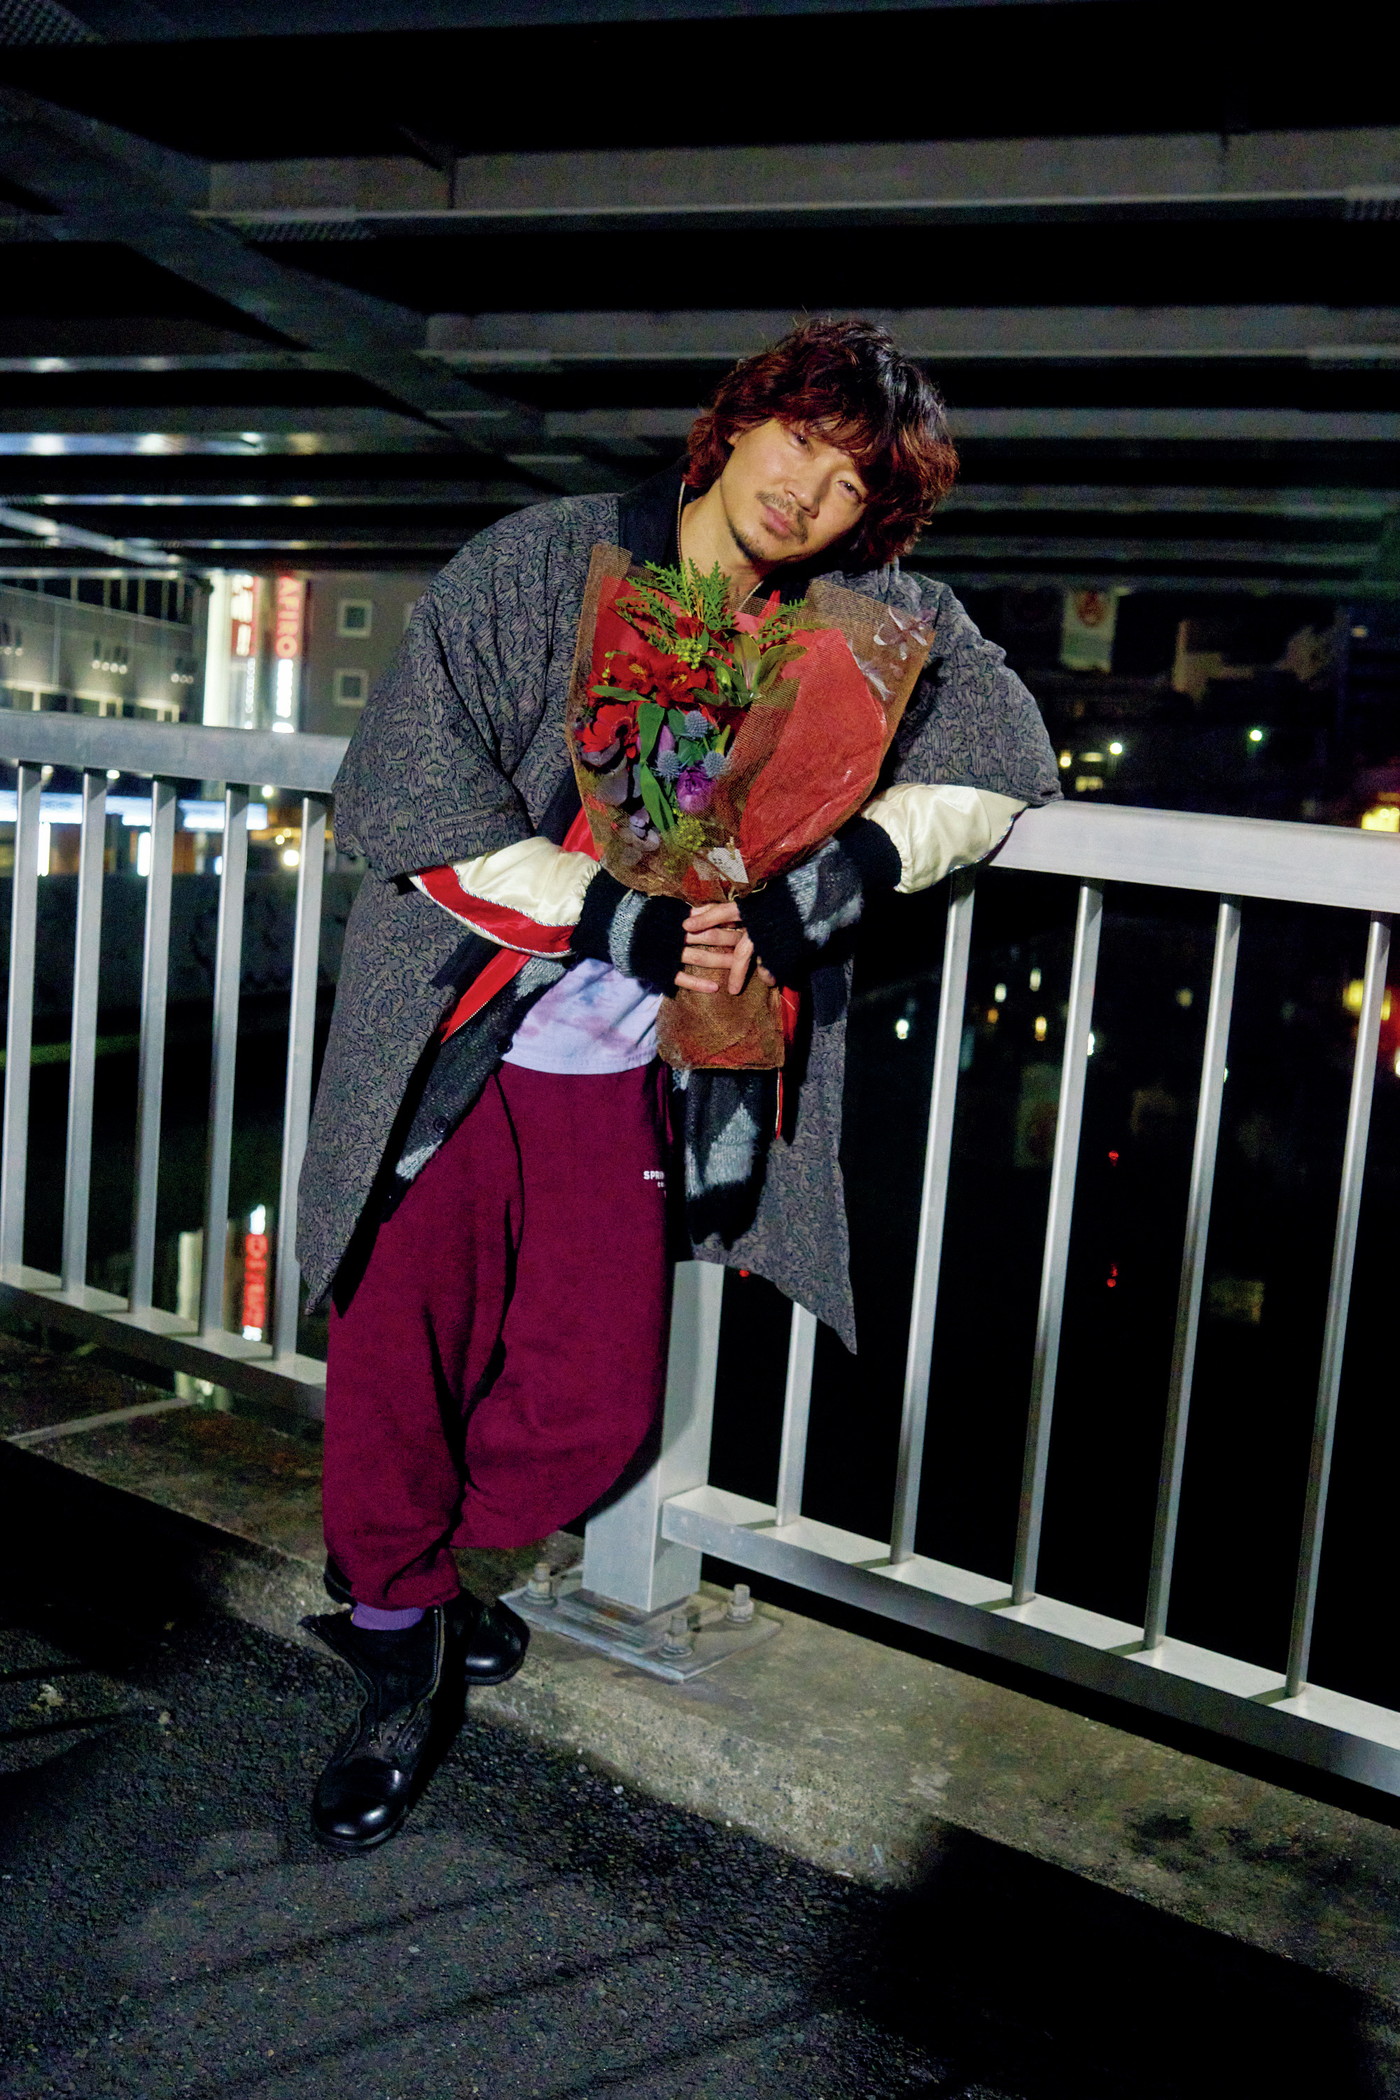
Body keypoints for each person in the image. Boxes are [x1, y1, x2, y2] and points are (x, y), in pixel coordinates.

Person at [297, 318, 1060, 1852]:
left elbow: (1004, 759)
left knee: (592, 1409)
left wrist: (832, 881)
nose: (807, 493)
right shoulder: (547, 562)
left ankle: (408, 1575)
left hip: (623, 1074)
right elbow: (405, 794)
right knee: (396, 1361)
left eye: (851, 484)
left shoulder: (881, 615)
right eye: (800, 442)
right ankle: (394, 1652)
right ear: (741, 419)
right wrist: (617, 916)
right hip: (453, 1038)